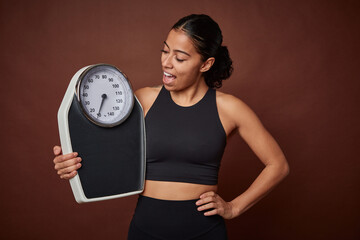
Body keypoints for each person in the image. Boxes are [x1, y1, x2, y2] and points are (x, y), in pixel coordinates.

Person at [53, 14, 289, 239]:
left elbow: (277, 165)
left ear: (205, 64)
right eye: (165, 51)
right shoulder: (142, 100)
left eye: (180, 58)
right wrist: (73, 164)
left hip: (205, 231)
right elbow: (109, 154)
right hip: (146, 229)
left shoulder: (230, 108)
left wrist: (234, 208)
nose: (166, 63)